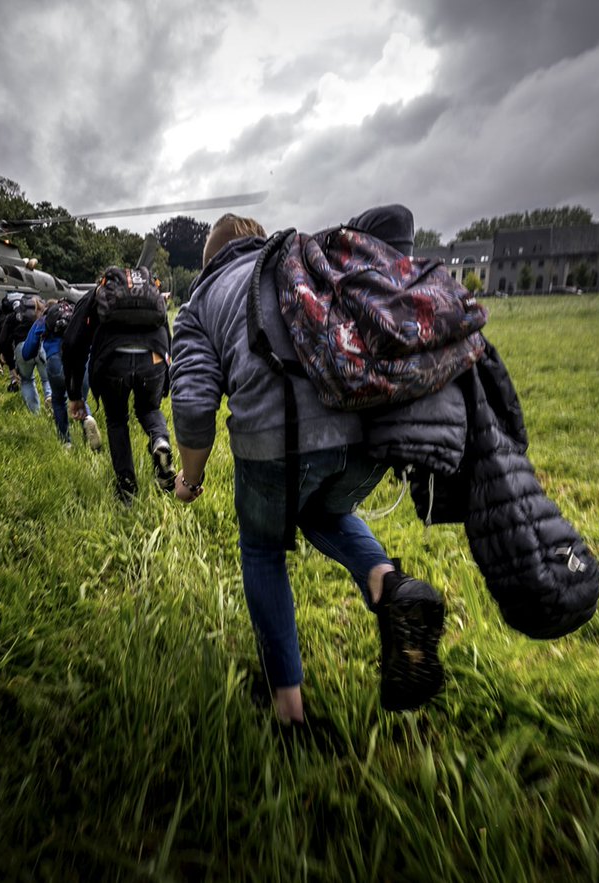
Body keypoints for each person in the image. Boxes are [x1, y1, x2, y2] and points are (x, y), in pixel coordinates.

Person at [168, 210, 446, 726]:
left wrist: (191, 480)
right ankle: (389, 585)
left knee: (263, 547)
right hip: (367, 433)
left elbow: (191, 402)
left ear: (210, 260)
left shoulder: (203, 301)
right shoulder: (303, 261)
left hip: (277, 442)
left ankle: (289, 713)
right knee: (320, 510)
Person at [63, 269, 177, 504]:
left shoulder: (96, 294)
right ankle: (160, 441)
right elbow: (166, 331)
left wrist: (74, 394)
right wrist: (166, 372)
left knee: (117, 420)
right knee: (149, 410)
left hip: (113, 362)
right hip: (153, 358)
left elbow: (73, 342)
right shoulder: (151, 293)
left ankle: (127, 489)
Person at [21, 299, 102, 451]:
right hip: (82, 363)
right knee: (80, 399)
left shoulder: (42, 321)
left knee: (58, 400)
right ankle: (88, 421)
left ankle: (66, 442)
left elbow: (27, 352)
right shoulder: (78, 317)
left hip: (56, 362)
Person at [0, 291, 51, 411]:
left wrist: (11, 364)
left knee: (27, 380)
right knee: (46, 379)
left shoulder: (12, 317)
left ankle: (35, 412)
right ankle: (49, 396)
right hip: (41, 347)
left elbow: (2, 341)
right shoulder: (41, 313)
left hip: (21, 349)